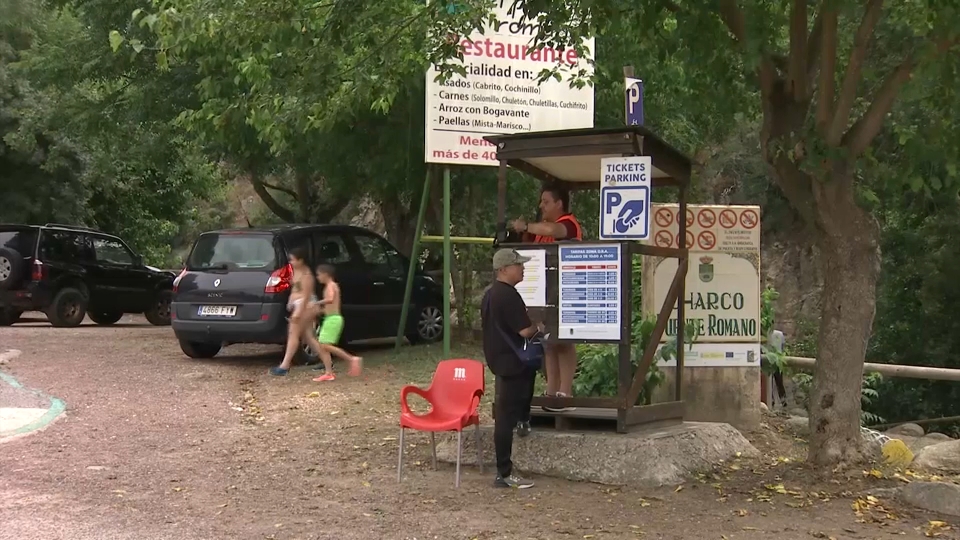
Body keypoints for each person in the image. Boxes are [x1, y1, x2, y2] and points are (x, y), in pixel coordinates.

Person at [510, 184, 583, 413]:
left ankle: (566, 392)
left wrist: (527, 225)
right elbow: (526, 245)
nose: (542, 206)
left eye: (546, 201)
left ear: (559, 203)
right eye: (541, 202)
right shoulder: (540, 230)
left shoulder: (568, 223)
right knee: (548, 341)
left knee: (564, 341)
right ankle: (552, 392)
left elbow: (556, 232)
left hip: (565, 289)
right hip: (544, 291)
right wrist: (521, 231)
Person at [481, 248, 543, 489]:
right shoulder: (508, 295)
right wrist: (539, 326)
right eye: (518, 265)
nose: (523, 268)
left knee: (507, 413)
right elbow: (524, 331)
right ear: (504, 269)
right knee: (505, 419)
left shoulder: (489, 295)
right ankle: (504, 472)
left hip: (499, 360)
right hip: (513, 362)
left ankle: (523, 422)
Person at [270, 247, 325, 376]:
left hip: (305, 306)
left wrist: (298, 312)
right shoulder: (295, 271)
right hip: (298, 304)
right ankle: (326, 359)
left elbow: (306, 296)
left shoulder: (307, 275)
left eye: (293, 260)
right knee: (309, 337)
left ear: (301, 260)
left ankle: (285, 365)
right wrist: (291, 301)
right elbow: (295, 289)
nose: (291, 262)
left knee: (293, 333)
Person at [311, 264, 362, 382]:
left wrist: (316, 303)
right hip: (330, 318)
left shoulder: (331, 286)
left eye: (318, 274)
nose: (317, 277)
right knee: (323, 346)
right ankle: (329, 373)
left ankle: (351, 359)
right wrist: (319, 311)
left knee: (325, 346)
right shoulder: (331, 286)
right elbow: (331, 306)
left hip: (333, 320)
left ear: (326, 274)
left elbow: (330, 299)